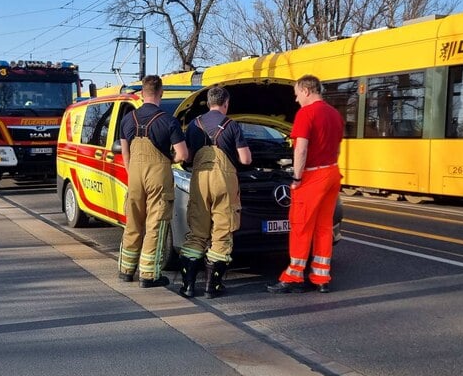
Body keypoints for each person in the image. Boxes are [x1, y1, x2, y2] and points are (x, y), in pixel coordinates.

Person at [268, 75, 343, 294]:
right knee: (323, 226)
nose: (296, 99)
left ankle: (294, 276)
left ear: (306, 90)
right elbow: (337, 149)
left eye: (297, 94)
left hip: (311, 177)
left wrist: (297, 178)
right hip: (331, 172)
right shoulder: (335, 114)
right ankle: (321, 277)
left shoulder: (306, 113)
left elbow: (300, 149)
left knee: (300, 226)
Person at [178, 86, 251, 299]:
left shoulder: (194, 124)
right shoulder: (232, 125)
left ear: (208, 103)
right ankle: (212, 286)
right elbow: (246, 159)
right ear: (225, 103)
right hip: (224, 181)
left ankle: (188, 286)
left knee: (197, 231)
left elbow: (188, 157)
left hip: (200, 180)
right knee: (222, 231)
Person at [118, 75, 189, 288]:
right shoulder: (168, 121)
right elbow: (182, 154)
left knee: (134, 222)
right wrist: (170, 159)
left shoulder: (127, 119)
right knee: (155, 223)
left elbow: (125, 152)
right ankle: (149, 275)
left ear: (141, 93)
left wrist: (133, 175)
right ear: (161, 93)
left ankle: (126, 269)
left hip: (135, 174)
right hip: (158, 174)